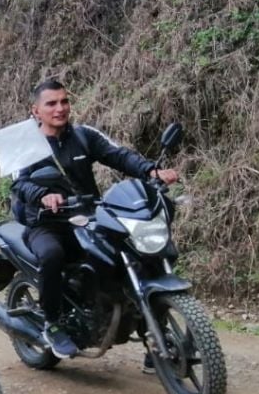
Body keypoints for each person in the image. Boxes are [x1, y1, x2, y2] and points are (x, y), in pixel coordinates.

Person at [12, 79, 179, 360]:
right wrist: (43, 195)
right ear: (36, 111)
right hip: (47, 221)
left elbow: (119, 156)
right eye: (51, 103)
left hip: (89, 215)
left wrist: (151, 171)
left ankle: (155, 334)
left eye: (64, 101)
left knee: (136, 253)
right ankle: (51, 323)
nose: (60, 108)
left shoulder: (83, 135)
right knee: (51, 255)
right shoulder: (26, 146)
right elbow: (19, 184)